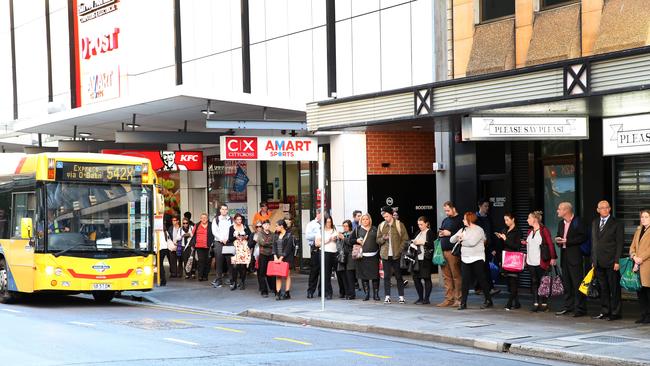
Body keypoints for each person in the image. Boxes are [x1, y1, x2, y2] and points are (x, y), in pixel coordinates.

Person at [451, 212, 493, 310]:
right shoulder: (463, 229)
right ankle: (463, 303)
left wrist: (462, 240)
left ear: (469, 219)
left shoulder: (479, 230)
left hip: (477, 257)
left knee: (482, 280)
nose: (463, 220)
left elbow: (472, 243)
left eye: (464, 219)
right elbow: (451, 240)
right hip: (465, 258)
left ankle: (488, 300)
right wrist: (458, 237)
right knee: (465, 281)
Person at [591, 200, 624, 321]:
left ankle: (616, 312)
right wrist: (593, 260)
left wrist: (617, 261)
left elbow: (620, 243)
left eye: (606, 207)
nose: (604, 209)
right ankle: (605, 311)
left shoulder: (617, 223)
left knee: (614, 288)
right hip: (598, 261)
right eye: (602, 208)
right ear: (598, 210)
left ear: (610, 209)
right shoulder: (595, 222)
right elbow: (594, 243)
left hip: (611, 261)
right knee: (603, 288)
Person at [555, 202, 588, 317]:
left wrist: (567, 241)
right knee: (567, 284)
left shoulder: (578, 222)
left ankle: (580, 309)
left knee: (577, 283)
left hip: (575, 257)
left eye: (559, 209)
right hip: (564, 257)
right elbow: (559, 235)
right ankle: (568, 307)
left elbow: (583, 237)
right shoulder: (561, 223)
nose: (557, 211)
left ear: (566, 211)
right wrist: (558, 240)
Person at [523, 211, 557, 312]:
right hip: (530, 261)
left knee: (543, 282)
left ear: (535, 219)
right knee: (534, 282)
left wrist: (553, 257)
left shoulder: (544, 230)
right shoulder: (529, 231)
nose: (527, 220)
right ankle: (535, 302)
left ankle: (544, 303)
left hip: (541, 261)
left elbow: (550, 244)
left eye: (529, 218)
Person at [377, 206, 409, 304]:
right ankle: (387, 297)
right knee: (386, 276)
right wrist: (383, 238)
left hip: (396, 254)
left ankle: (401, 296)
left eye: (386, 216)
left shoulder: (399, 225)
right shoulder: (381, 225)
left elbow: (405, 239)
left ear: (391, 214)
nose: (385, 218)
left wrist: (399, 250)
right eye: (384, 217)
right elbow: (377, 240)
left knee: (398, 276)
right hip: (385, 254)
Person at [437, 201, 464, 307]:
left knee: (456, 275)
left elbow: (462, 234)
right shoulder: (445, 220)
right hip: (443, 250)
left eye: (448, 210)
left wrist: (450, 233)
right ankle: (449, 299)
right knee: (446, 276)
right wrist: (441, 233)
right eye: (445, 211)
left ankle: (458, 298)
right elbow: (442, 231)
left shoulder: (460, 220)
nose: (446, 213)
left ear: (454, 208)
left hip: (453, 252)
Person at [349, 213, 380, 301]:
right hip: (362, 257)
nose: (365, 221)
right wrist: (356, 240)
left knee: (375, 276)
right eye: (363, 219)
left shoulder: (374, 229)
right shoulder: (357, 229)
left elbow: (379, 241)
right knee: (364, 276)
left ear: (370, 220)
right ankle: (366, 294)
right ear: (361, 221)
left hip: (374, 256)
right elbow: (350, 240)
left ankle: (376, 295)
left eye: (367, 219)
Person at [495, 213, 522, 310]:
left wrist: (506, 239)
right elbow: (502, 245)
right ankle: (517, 302)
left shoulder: (517, 231)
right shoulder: (504, 230)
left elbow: (516, 246)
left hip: (513, 258)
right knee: (509, 283)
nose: (505, 222)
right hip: (505, 257)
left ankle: (509, 303)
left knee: (513, 281)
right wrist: (501, 239)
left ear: (513, 219)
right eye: (504, 220)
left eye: (507, 220)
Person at [476, 198, 500, 296]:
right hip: (478, 247)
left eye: (488, 206)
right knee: (483, 268)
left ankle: (482, 287)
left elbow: (490, 233)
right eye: (485, 206)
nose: (487, 208)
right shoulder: (475, 218)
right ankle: (486, 288)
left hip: (487, 247)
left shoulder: (488, 218)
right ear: (480, 206)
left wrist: (492, 248)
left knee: (485, 268)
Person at [630, 209, 650, 324]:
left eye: (646, 217)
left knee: (648, 291)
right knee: (640, 291)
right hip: (637, 265)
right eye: (642, 217)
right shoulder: (638, 230)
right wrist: (634, 256)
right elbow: (632, 246)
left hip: (647, 265)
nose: (643, 219)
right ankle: (643, 314)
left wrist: (639, 259)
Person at [411, 216, 435, 305]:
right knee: (416, 278)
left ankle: (426, 298)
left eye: (421, 224)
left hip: (425, 259)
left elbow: (432, 245)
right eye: (418, 224)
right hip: (417, 259)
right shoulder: (418, 232)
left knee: (426, 278)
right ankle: (420, 298)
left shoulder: (429, 232)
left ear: (426, 223)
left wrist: (421, 242)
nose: (420, 226)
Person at [228, 213, 253, 290]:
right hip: (235, 248)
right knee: (235, 266)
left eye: (240, 219)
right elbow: (230, 238)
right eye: (238, 219)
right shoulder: (232, 228)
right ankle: (234, 282)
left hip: (244, 248)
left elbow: (250, 235)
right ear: (235, 220)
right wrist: (235, 237)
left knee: (243, 266)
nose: (239, 221)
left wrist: (246, 237)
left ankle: (242, 282)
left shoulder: (245, 227)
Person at [211, 204, 233, 288]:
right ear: (220, 210)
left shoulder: (230, 219)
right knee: (219, 262)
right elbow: (214, 231)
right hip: (219, 242)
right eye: (222, 209)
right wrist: (221, 239)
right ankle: (219, 281)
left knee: (230, 262)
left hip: (228, 242)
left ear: (227, 210)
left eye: (225, 209)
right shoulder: (216, 219)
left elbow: (232, 230)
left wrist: (228, 239)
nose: (224, 211)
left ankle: (232, 280)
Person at [274, 219, 296, 300]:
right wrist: (275, 256)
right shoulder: (276, 234)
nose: (275, 227)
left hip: (287, 258)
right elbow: (274, 246)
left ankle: (287, 293)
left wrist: (281, 258)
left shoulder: (289, 235)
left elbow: (288, 248)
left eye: (277, 226)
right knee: (278, 275)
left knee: (287, 275)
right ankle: (278, 292)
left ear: (281, 226)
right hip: (278, 257)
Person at [188, 213, 214, 281]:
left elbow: (214, 234)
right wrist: (192, 245)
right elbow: (192, 235)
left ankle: (205, 275)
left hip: (208, 246)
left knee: (208, 261)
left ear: (207, 218)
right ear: (200, 219)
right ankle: (200, 275)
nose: (204, 219)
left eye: (205, 217)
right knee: (201, 261)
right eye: (202, 218)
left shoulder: (211, 225)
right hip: (199, 246)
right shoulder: (197, 225)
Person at [320, 216, 339, 300]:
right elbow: (317, 243)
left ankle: (343, 292)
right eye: (327, 222)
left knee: (339, 272)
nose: (329, 224)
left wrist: (336, 239)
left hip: (335, 252)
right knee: (326, 274)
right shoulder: (321, 231)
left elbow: (339, 240)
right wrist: (328, 239)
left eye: (330, 222)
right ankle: (328, 292)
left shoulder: (335, 230)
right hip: (325, 252)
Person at [255, 220, 276, 297]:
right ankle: (264, 291)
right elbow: (261, 242)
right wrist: (269, 243)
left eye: (268, 224)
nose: (266, 226)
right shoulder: (260, 234)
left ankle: (273, 288)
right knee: (262, 273)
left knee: (271, 272)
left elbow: (274, 242)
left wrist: (267, 243)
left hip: (271, 255)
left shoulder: (273, 234)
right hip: (263, 254)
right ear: (263, 226)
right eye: (265, 224)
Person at [306, 210, 322, 298]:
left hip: (325, 248)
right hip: (315, 249)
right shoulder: (311, 224)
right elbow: (307, 236)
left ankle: (321, 291)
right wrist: (318, 235)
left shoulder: (326, 223)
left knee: (324, 271)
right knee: (314, 271)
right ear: (318, 214)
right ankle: (311, 291)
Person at [336, 220, 354, 299]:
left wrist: (343, 238)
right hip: (342, 256)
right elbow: (338, 245)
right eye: (343, 226)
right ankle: (346, 292)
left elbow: (351, 243)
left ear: (350, 226)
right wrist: (338, 238)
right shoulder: (342, 234)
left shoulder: (353, 233)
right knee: (343, 275)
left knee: (349, 275)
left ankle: (351, 294)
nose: (345, 228)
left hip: (350, 256)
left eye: (346, 226)